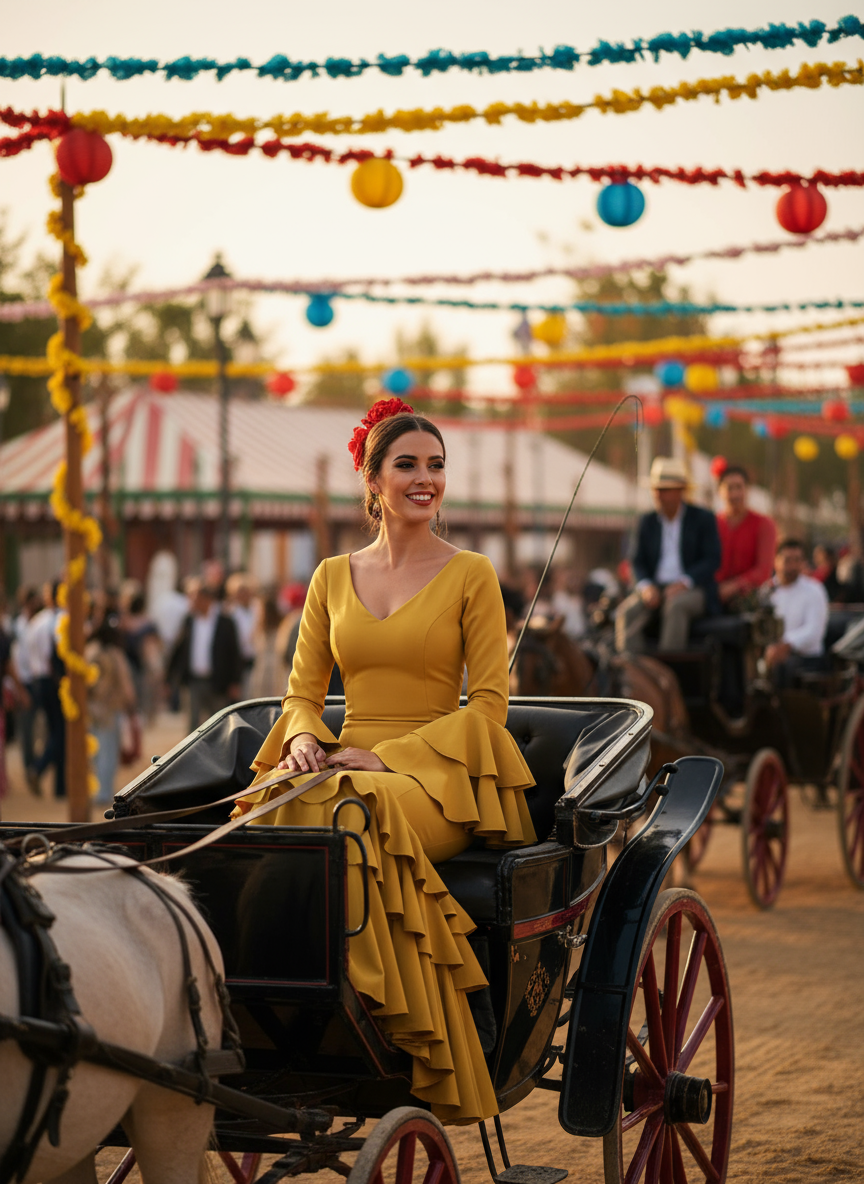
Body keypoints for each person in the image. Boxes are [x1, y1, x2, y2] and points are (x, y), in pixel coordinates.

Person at [232, 398, 536, 1125]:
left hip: (436, 779)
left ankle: (427, 1013)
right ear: (372, 481)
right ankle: (269, 999)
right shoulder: (331, 577)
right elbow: (301, 693)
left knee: (350, 808)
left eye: (436, 465)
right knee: (274, 803)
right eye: (408, 465)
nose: (425, 478)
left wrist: (385, 757)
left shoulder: (472, 574)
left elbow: (488, 705)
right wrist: (304, 738)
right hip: (341, 761)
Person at [616, 457, 721, 653]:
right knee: (627, 612)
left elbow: (712, 559)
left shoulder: (703, 519)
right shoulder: (646, 522)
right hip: (655, 588)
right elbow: (635, 562)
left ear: (680, 491)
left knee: (676, 607)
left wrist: (685, 582)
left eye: (664, 489)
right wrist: (646, 587)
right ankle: (631, 673)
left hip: (692, 589)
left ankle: (667, 671)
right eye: (656, 489)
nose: (658, 495)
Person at [167, 579, 244, 732]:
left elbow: (234, 653)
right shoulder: (189, 621)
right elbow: (178, 649)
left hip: (218, 682)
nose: (191, 603)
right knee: (192, 726)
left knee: (218, 725)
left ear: (206, 600)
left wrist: (235, 682)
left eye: (195, 599)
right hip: (193, 682)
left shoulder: (225, 622)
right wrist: (169, 678)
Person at [764, 538, 830, 687]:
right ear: (776, 560)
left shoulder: (814, 590)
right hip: (770, 656)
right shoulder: (766, 591)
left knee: (784, 668)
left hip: (805, 661)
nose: (793, 566)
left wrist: (786, 645)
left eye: (797, 560)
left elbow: (814, 631)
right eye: (788, 560)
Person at [86, 613, 137, 805]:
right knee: (109, 752)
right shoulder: (116, 655)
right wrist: (131, 705)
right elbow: (126, 685)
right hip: (111, 709)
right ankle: (104, 792)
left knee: (96, 752)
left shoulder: (90, 652)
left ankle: (99, 790)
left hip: (92, 708)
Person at [715, 465, 777, 610]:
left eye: (739, 487)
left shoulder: (764, 524)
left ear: (747, 490)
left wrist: (734, 586)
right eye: (730, 488)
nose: (735, 494)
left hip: (749, 595)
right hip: (715, 591)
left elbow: (763, 571)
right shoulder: (712, 524)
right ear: (720, 492)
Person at [25, 579, 66, 798]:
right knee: (62, 732)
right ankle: (39, 768)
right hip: (55, 680)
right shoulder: (60, 620)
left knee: (55, 731)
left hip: (38, 680)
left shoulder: (37, 621)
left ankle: (60, 786)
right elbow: (58, 653)